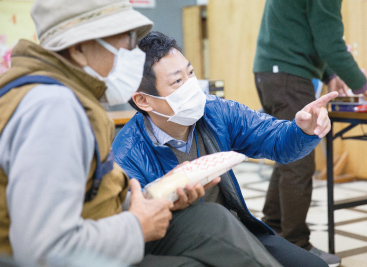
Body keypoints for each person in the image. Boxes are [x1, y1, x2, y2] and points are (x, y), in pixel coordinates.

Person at [0, 0, 285, 267]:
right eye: (124, 38)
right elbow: (44, 250)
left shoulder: (47, 92)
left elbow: (89, 204)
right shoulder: (53, 109)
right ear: (78, 48)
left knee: (210, 219)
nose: (132, 51)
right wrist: (136, 224)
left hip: (107, 230)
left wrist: (153, 199)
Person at [112, 31, 338, 267]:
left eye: (190, 73)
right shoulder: (126, 154)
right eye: (177, 81)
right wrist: (169, 200)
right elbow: (135, 226)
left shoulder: (215, 111)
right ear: (144, 101)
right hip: (180, 246)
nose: (191, 86)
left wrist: (302, 130)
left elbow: (275, 139)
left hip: (236, 230)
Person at [252, 0, 367, 266]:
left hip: (272, 71)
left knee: (287, 155)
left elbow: (308, 28)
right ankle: (296, 246)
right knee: (299, 161)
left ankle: (272, 235)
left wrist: (330, 73)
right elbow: (330, 38)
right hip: (289, 74)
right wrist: (364, 86)